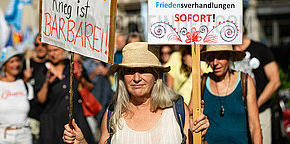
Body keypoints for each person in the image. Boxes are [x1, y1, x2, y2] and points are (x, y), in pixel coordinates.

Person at [62, 42, 210, 144]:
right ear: (122, 77)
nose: (137, 78)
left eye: (144, 71)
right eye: (130, 71)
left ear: (156, 76)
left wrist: (200, 137)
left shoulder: (177, 111)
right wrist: (81, 142)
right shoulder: (113, 114)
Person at [200, 44, 262, 143]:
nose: (215, 63)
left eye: (220, 57)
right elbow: (191, 120)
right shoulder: (202, 82)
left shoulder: (245, 81)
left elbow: (254, 125)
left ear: (229, 57)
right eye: (211, 58)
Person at [37, 44, 94, 144]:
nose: (52, 54)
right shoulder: (43, 70)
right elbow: (41, 99)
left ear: (63, 50)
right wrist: (46, 83)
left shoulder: (73, 65)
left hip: (76, 120)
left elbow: (90, 88)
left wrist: (80, 78)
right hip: (52, 124)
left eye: (55, 50)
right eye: (49, 51)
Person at [234, 27, 281, 144]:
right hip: (235, 115)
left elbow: (275, 81)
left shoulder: (260, 49)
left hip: (260, 111)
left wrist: (255, 104)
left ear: (242, 28)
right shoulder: (227, 53)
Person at [0, 46, 33, 144]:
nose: (16, 64)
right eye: (12, 61)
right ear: (4, 65)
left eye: (17, 61)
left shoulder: (26, 86)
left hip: (24, 136)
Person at [21, 34, 48, 144]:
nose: (40, 47)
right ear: (34, 46)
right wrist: (25, 79)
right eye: (37, 45)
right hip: (32, 114)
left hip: (48, 114)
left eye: (43, 44)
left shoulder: (52, 64)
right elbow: (17, 87)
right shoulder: (27, 63)